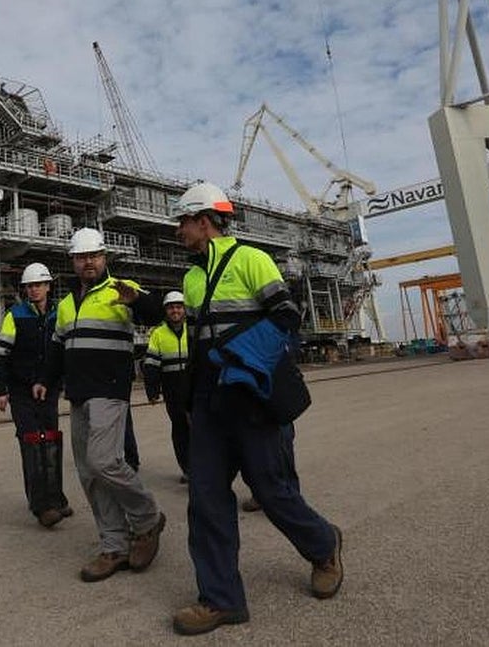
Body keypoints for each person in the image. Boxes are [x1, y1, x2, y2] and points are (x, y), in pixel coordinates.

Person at [167, 182, 343, 636]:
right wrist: (190, 399)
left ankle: (324, 546)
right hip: (209, 404)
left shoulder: (251, 260)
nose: (179, 231)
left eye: (183, 222)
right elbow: (197, 343)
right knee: (205, 500)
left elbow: (286, 317)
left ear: (204, 221)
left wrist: (244, 364)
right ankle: (221, 600)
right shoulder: (190, 277)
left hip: (251, 398)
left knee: (272, 491)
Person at [33, 227, 166, 583]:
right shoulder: (65, 305)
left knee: (105, 460)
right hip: (77, 393)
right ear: (73, 261)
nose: (88, 261)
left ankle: (147, 517)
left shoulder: (120, 289)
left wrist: (136, 301)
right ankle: (114, 546)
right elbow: (58, 349)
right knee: (89, 473)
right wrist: (46, 379)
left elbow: (157, 313)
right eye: (81, 257)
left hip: (109, 389)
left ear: (104, 257)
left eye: (93, 255)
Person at [0, 262, 72, 527]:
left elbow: (65, 351)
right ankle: (41, 506)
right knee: (32, 442)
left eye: (38, 285)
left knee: (50, 442)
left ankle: (56, 498)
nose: (34, 290)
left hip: (48, 389)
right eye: (29, 286)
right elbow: (1, 355)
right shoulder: (14, 315)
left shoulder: (59, 313)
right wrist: (0, 390)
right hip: (21, 391)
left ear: (48, 286)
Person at [142, 291, 191, 483]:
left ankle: (202, 467)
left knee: (199, 430)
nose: (175, 310)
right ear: (166, 311)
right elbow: (151, 365)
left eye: (179, 307)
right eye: (171, 307)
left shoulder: (193, 329)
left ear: (184, 309)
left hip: (194, 389)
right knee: (180, 431)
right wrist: (152, 391)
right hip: (173, 392)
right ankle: (187, 469)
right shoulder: (158, 334)